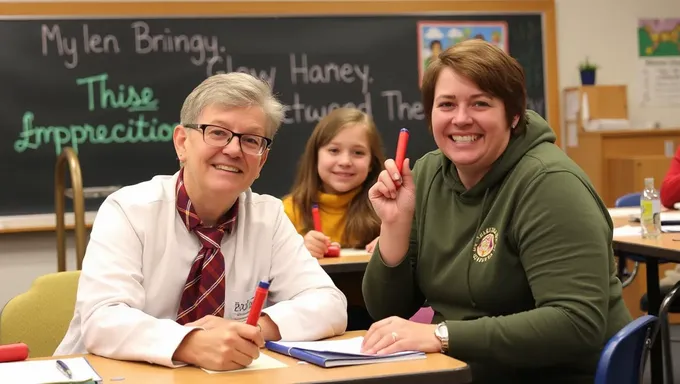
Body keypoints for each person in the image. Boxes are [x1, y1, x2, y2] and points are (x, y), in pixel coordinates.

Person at [360, 39, 632, 383]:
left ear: (513, 114)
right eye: (446, 104)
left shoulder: (550, 183)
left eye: (481, 103)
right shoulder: (427, 175)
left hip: (552, 373)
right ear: (430, 115)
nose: (461, 118)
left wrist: (441, 335)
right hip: (459, 368)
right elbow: (386, 311)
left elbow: (576, 323)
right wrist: (395, 226)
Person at [54, 73, 348, 371]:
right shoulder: (129, 210)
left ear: (261, 161)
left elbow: (330, 303)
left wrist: (254, 330)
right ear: (182, 143)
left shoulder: (268, 217)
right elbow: (102, 320)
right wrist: (191, 342)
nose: (233, 150)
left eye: (250, 140)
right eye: (217, 132)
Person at [282, 107, 385, 330]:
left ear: (372, 164)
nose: (345, 161)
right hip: (308, 321)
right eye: (334, 150)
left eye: (358, 153)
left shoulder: (384, 208)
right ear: (315, 155)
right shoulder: (289, 211)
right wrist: (298, 249)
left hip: (373, 320)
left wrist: (392, 244)